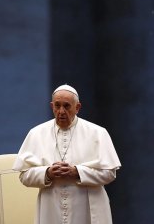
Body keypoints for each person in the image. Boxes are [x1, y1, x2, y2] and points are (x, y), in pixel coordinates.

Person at [13, 84, 121, 224]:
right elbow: (24, 175)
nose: (61, 111)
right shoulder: (36, 133)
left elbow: (109, 173)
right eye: (57, 106)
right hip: (51, 208)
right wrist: (47, 173)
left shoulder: (97, 133)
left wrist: (77, 172)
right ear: (52, 106)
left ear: (77, 107)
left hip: (86, 210)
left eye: (67, 106)